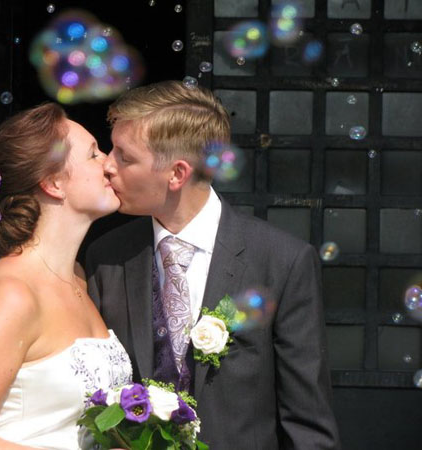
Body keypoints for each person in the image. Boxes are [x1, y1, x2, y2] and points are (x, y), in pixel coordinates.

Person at [84, 80, 341, 449]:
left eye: (124, 157)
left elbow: (308, 424)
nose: (107, 165)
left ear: (177, 174)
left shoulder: (282, 261)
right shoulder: (106, 257)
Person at [0, 102, 132, 449]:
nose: (109, 163)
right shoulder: (14, 293)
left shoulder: (79, 277)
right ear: (53, 182)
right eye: (93, 154)